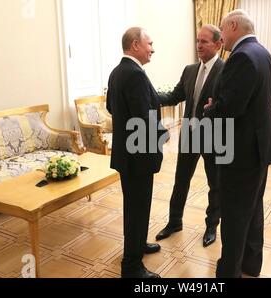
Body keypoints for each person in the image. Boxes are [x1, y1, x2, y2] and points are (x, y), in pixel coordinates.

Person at [204, 10, 271, 278]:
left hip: (241, 153)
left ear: (233, 26)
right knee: (253, 210)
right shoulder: (264, 54)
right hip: (259, 148)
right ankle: (251, 264)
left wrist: (211, 108)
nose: (221, 36)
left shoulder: (241, 57)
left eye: (222, 30)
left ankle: (229, 272)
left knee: (235, 216)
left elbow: (230, 108)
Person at [107, 27, 169, 278]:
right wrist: (163, 136)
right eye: (149, 44)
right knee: (137, 209)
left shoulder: (117, 72)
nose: (152, 48)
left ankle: (138, 244)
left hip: (126, 154)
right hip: (139, 156)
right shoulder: (135, 75)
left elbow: (112, 106)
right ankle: (132, 267)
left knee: (134, 207)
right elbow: (145, 119)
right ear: (135, 45)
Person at [155, 25, 224, 247]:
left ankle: (212, 226)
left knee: (215, 184)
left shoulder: (227, 70)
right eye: (197, 41)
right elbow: (175, 96)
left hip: (215, 138)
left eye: (204, 41)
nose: (199, 46)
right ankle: (175, 222)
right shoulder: (189, 70)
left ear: (218, 44)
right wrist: (148, 94)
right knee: (180, 180)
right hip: (189, 135)